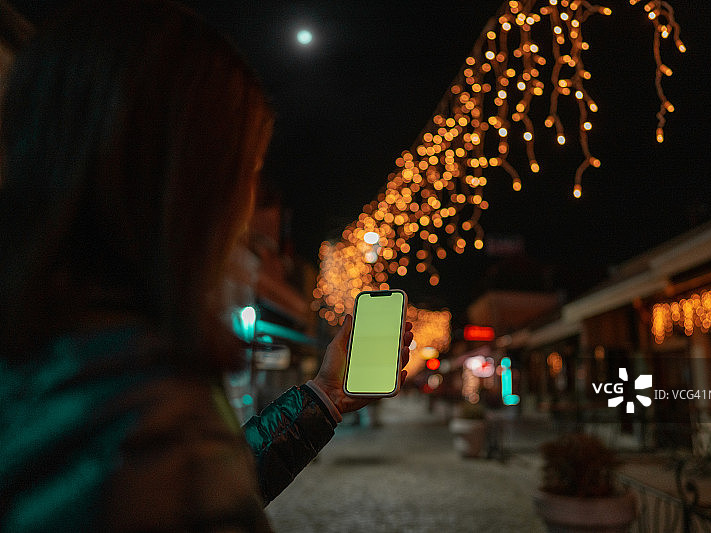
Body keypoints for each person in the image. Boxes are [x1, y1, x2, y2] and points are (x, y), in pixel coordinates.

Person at [0, 1, 412, 531]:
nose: (243, 216)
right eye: (244, 173)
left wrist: (325, 398)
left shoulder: (57, 360)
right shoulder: (151, 408)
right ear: (181, 185)